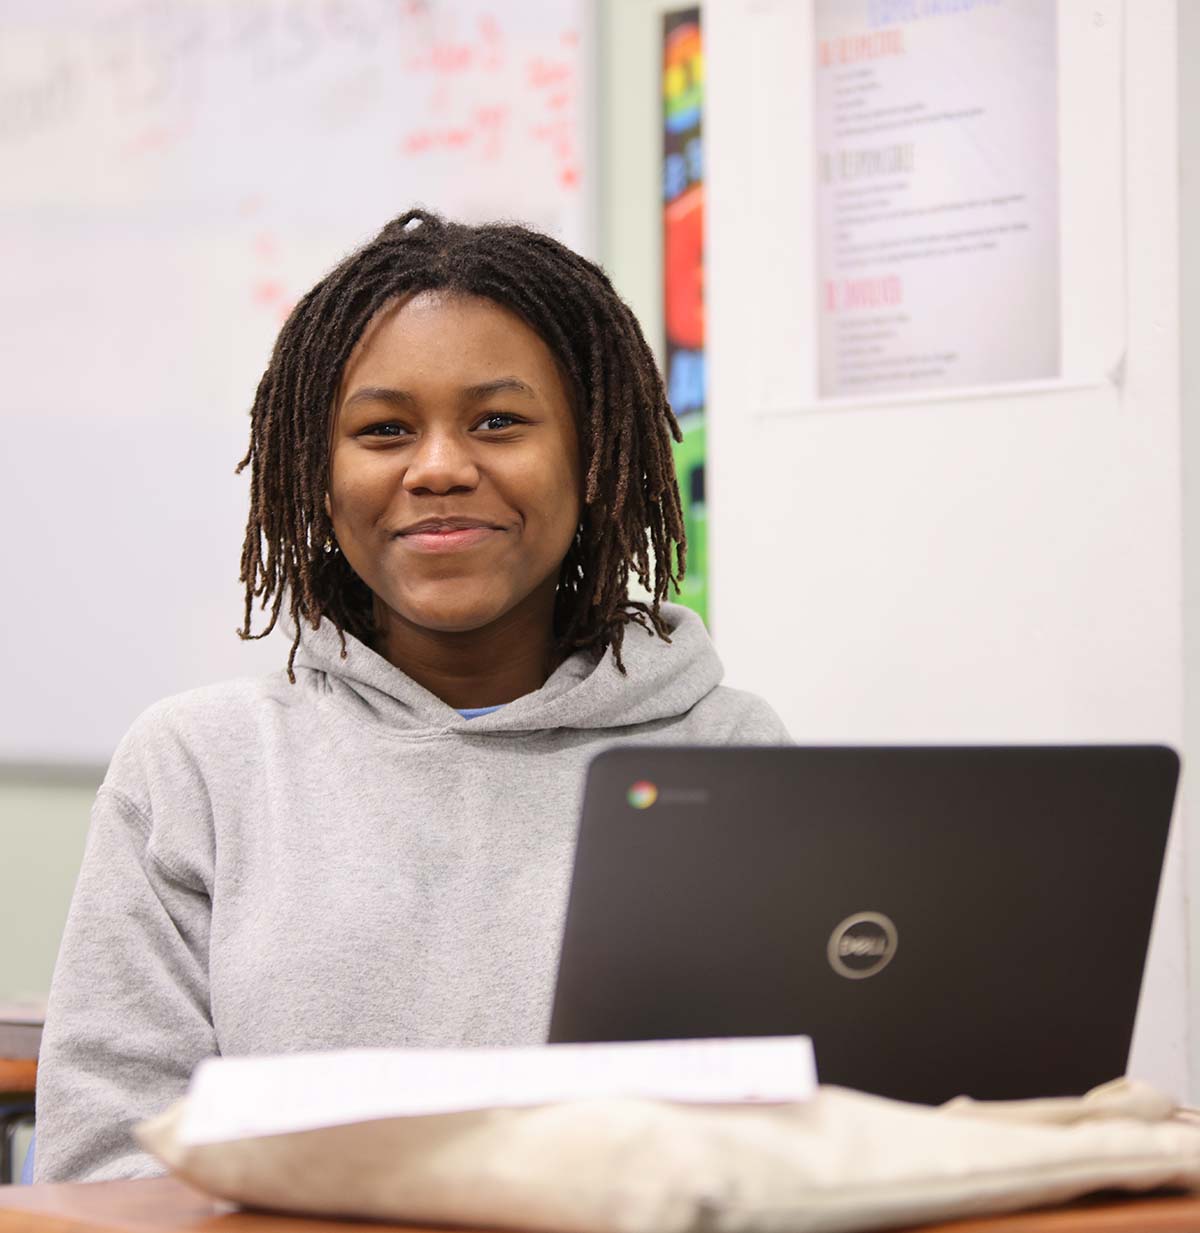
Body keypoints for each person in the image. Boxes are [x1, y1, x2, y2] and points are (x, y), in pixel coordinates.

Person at [34, 209, 789, 1182]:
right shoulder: (197, 766)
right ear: (317, 471)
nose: (438, 468)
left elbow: (788, 1141)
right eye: (384, 429)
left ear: (595, 457)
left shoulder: (723, 749)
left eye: (498, 422)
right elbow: (106, 1160)